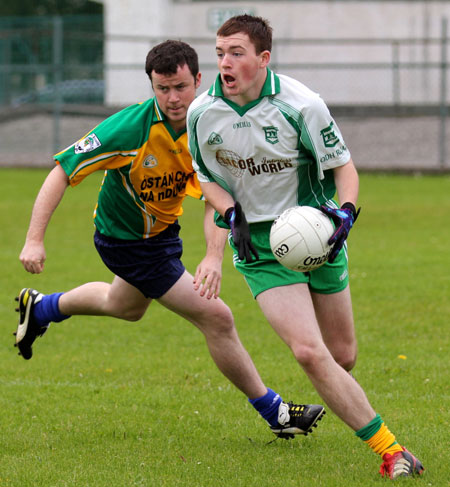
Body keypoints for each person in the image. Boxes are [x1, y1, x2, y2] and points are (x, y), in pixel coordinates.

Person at [14, 40, 325, 441]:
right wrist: (33, 240)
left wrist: (214, 256)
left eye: (180, 87)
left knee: (123, 306)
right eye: (162, 89)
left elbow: (215, 197)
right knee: (217, 317)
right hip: (126, 242)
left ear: (198, 80)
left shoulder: (208, 125)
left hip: (162, 236)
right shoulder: (130, 129)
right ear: (152, 87)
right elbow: (62, 170)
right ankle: (275, 412)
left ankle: (41, 309)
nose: (173, 98)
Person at [186, 16, 424, 480]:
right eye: (219, 52)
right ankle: (393, 451)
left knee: (342, 355)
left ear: (263, 58)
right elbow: (206, 177)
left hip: (319, 234)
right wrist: (230, 213)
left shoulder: (302, 104)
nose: (224, 62)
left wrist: (346, 213)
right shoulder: (202, 112)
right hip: (259, 248)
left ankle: (349, 401)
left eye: (236, 52)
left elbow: (344, 170)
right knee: (309, 352)